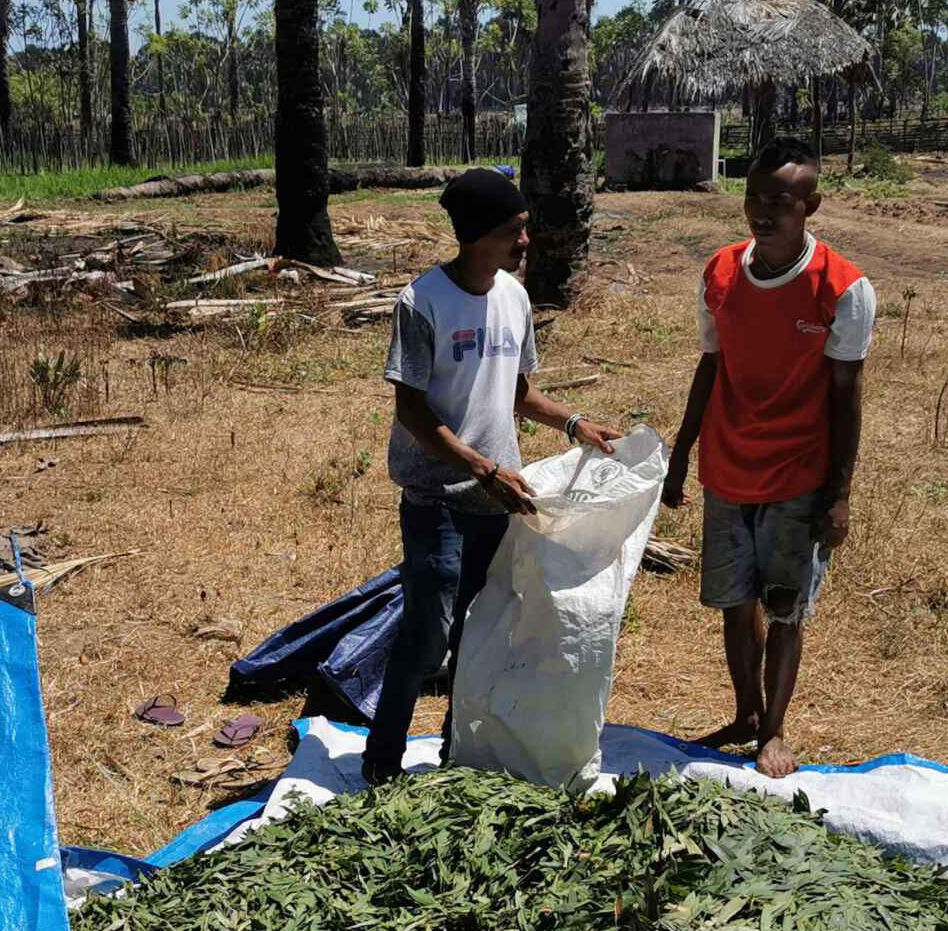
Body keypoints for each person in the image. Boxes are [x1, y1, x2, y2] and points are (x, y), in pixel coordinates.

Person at [364, 167, 623, 785]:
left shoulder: (514, 297)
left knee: (482, 639)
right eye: (514, 231)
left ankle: (458, 761)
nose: (524, 242)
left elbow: (521, 392)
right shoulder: (423, 302)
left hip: (498, 499)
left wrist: (575, 424)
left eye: (524, 228)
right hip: (439, 497)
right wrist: (482, 468)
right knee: (429, 638)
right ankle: (381, 765)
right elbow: (412, 410)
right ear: (476, 234)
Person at [663, 136, 876, 779]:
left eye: (779, 201)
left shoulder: (842, 288)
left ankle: (774, 733)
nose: (761, 212)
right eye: (753, 198)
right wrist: (681, 454)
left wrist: (838, 494)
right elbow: (710, 366)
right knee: (735, 603)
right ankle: (746, 712)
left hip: (797, 475)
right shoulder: (721, 273)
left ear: (810, 204)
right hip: (728, 469)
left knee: (784, 606)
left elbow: (848, 397)